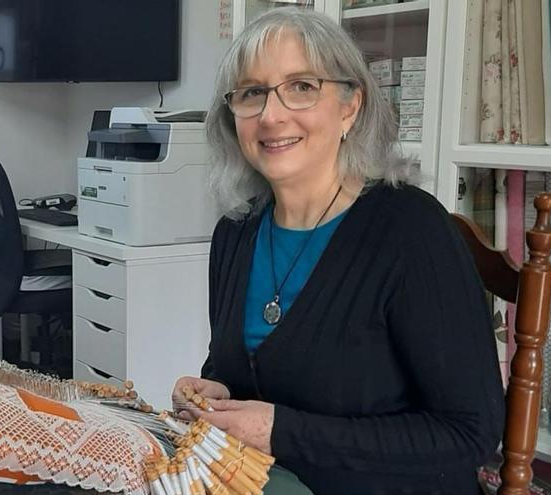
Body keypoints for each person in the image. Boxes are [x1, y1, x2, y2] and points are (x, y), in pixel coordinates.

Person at [171, 7, 504, 495]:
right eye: (252, 93)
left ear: (350, 107)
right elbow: (233, 368)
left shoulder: (412, 231)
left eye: (302, 86)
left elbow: (469, 432)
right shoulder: (235, 233)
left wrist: (279, 431)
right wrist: (216, 391)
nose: (271, 114)